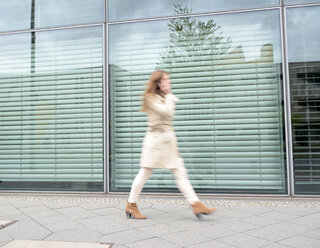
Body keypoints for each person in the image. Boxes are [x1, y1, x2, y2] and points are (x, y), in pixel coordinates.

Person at [125, 70, 216, 219]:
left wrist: (167, 95)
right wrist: (168, 95)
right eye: (166, 79)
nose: (170, 82)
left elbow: (169, 112)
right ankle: (131, 204)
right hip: (155, 141)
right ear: (159, 83)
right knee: (144, 173)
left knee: (180, 172)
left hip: (168, 142)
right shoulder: (151, 98)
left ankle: (196, 204)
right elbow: (167, 113)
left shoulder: (166, 97)